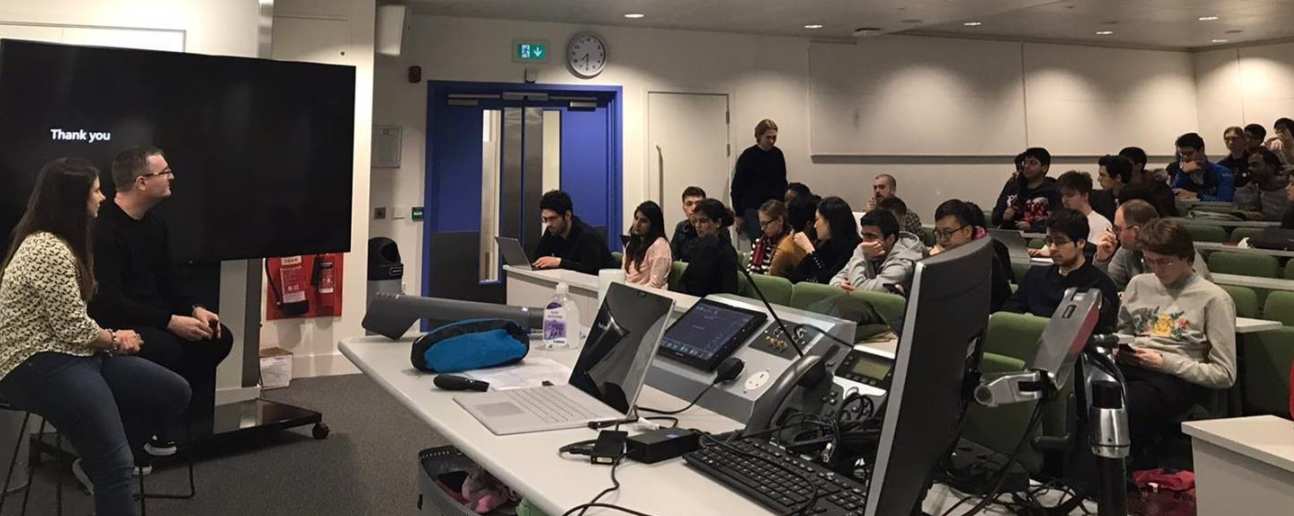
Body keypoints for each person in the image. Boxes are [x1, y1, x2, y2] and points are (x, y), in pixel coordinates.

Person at [1, 157, 190, 516]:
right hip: (37, 363)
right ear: (75, 200)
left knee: (173, 391)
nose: (103, 198)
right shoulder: (47, 249)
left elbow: (73, 328)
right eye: (96, 191)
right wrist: (116, 339)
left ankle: (97, 460)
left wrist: (109, 341)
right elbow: (72, 327)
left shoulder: (63, 242)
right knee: (117, 466)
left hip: (76, 355)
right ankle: (106, 461)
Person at [89, 146, 231, 443]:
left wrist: (194, 309)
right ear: (141, 182)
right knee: (167, 348)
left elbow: (170, 282)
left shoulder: (156, 225)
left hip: (157, 317)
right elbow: (109, 302)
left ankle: (165, 416)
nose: (172, 177)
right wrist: (170, 321)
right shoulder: (102, 228)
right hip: (119, 322)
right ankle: (138, 430)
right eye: (164, 172)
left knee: (218, 338)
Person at [1116, 218, 1236, 454]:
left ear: (1187, 258)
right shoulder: (1139, 284)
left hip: (1176, 378)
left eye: (1165, 262)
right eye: (1149, 261)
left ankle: (1125, 468)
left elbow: (1225, 374)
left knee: (1126, 402)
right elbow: (1124, 332)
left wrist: (1165, 363)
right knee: (1083, 391)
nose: (1157, 269)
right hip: (1133, 366)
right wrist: (1120, 348)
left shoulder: (1214, 299)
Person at [1003, 209, 1119, 332]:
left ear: (1080, 243)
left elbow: (1105, 332)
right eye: (1049, 241)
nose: (1053, 248)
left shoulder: (1101, 286)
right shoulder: (1035, 276)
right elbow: (1008, 316)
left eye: (1060, 242)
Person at [1093, 199, 1210, 290]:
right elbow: (1108, 288)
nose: (1115, 234)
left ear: (1136, 231)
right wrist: (1102, 260)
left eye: (1118, 229)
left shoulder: (1178, 251)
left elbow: (1196, 292)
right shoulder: (1126, 251)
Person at [930, 199, 1013, 311]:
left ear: (967, 232)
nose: (942, 240)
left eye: (947, 233)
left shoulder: (986, 259)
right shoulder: (939, 257)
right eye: (938, 233)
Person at [830, 209, 927, 295]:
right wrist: (840, 286)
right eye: (863, 235)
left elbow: (861, 293)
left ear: (890, 239)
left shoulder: (904, 261)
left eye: (871, 236)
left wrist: (859, 253)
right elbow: (834, 280)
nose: (865, 242)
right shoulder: (867, 251)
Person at [530, 190, 613, 274]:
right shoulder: (552, 230)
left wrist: (559, 262)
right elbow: (537, 259)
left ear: (567, 215)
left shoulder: (587, 236)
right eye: (545, 219)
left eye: (552, 218)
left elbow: (591, 269)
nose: (548, 224)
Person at [732, 119, 788, 242]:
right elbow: (737, 187)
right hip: (753, 209)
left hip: (774, 209)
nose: (772, 141)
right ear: (759, 136)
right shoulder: (748, 156)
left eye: (774, 137)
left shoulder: (777, 154)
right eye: (768, 137)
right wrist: (738, 214)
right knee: (759, 244)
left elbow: (782, 182)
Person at [788, 197, 860, 284]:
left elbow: (827, 281)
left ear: (830, 221)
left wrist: (809, 249)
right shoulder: (827, 243)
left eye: (817, 220)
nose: (815, 226)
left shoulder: (854, 247)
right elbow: (795, 277)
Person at [678, 199, 739, 297]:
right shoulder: (698, 245)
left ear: (718, 223)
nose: (697, 226)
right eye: (695, 221)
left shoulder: (727, 252)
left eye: (703, 221)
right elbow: (685, 281)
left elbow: (729, 291)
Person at [992, 147, 1061, 232]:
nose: (1026, 166)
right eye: (1025, 162)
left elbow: (1057, 222)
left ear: (1044, 168)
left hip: (1038, 237)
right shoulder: (1013, 187)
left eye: (1033, 163)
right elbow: (994, 218)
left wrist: (1032, 227)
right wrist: (1004, 215)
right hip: (1010, 234)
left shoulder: (1052, 190)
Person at [1169, 132, 1235, 202]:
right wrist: (1183, 174)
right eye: (1182, 154)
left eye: (1189, 153)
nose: (1185, 158)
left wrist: (1196, 196)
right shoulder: (1180, 171)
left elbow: (1225, 201)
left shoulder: (1222, 172)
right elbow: (1174, 195)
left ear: (1201, 150)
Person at [671, 186, 730, 262]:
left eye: (698, 204)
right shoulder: (681, 227)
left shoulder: (718, 229)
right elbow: (673, 256)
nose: (694, 208)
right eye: (689, 204)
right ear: (684, 208)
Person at [1118, 146, 1178, 217]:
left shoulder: (1158, 187)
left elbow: (1165, 213)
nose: (1122, 167)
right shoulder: (1119, 184)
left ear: (1139, 166)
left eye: (1126, 164)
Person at [622, 201, 671, 289]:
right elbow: (623, 274)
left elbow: (655, 284)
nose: (637, 224)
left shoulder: (660, 246)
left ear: (654, 225)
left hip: (648, 294)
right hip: (628, 291)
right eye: (636, 218)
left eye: (644, 221)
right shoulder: (631, 243)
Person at [1234, 148, 1290, 220]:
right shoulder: (1247, 191)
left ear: (1271, 167)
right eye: (1249, 165)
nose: (1250, 169)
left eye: (1255, 165)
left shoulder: (1290, 190)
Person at [767, 196, 817, 278]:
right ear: (809, 224)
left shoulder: (819, 241)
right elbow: (773, 281)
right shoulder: (786, 251)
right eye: (817, 219)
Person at [1057, 171, 1112, 242]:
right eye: (1062, 195)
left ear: (1085, 196)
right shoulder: (1061, 222)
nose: (1064, 200)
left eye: (1070, 195)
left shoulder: (1101, 224)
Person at [748, 199, 789, 275]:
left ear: (780, 220)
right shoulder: (759, 243)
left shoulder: (789, 246)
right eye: (761, 224)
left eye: (765, 224)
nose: (762, 228)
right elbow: (750, 274)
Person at [1092, 155, 1130, 221]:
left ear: (1118, 178)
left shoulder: (1135, 201)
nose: (1099, 179)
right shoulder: (1097, 199)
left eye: (1103, 175)